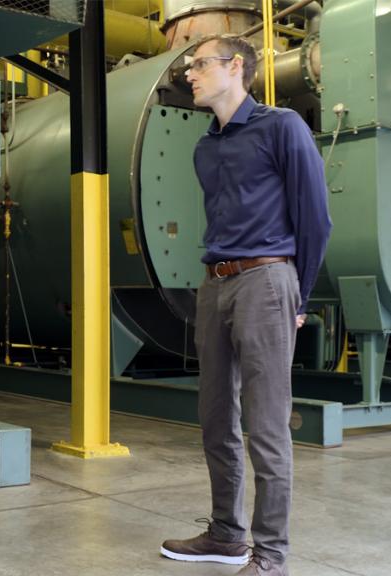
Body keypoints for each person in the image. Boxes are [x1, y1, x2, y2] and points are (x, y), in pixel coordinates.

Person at [159, 35, 332, 576]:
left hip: (266, 280)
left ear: (237, 67)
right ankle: (227, 535)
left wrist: (296, 294)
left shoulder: (282, 127)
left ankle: (271, 555)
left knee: (267, 425)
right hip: (216, 284)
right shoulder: (204, 146)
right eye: (189, 67)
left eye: (200, 64)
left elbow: (315, 218)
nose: (190, 74)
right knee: (215, 419)